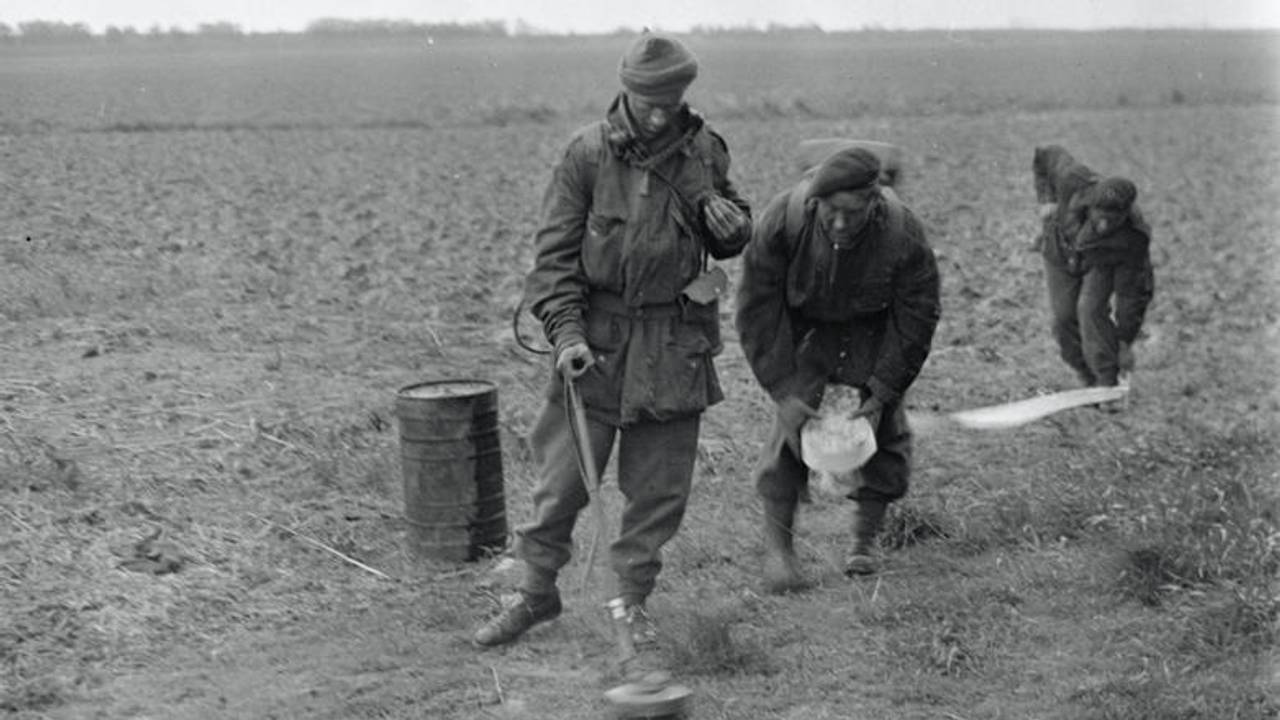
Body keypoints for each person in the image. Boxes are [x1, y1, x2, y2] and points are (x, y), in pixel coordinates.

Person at [474, 33, 752, 648]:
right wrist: (567, 333)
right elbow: (552, 265)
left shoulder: (705, 150)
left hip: (676, 346)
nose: (659, 112)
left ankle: (630, 603)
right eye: (647, 100)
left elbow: (730, 228)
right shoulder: (587, 156)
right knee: (560, 486)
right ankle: (536, 593)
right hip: (595, 347)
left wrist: (735, 230)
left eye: (670, 100)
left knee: (657, 495)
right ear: (626, 90)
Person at [735, 146, 941, 592]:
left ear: (874, 201)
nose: (841, 224)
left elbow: (917, 316)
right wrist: (784, 388)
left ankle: (864, 542)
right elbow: (756, 307)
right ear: (814, 204)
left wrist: (883, 389)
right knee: (790, 437)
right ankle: (779, 553)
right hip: (807, 334)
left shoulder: (903, 233)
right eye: (831, 213)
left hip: (874, 332)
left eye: (853, 213)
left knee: (882, 433)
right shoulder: (782, 221)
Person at [1032, 145, 1154, 394]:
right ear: (1090, 204)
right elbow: (1044, 155)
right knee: (1063, 318)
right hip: (1060, 254)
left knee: (1091, 310)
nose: (1104, 224)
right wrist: (1047, 202)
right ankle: (1086, 375)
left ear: (1125, 213)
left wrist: (1124, 343)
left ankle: (1107, 381)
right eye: (1100, 215)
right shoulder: (1073, 180)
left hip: (1100, 263)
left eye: (1113, 219)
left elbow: (1131, 294)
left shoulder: (1134, 237)